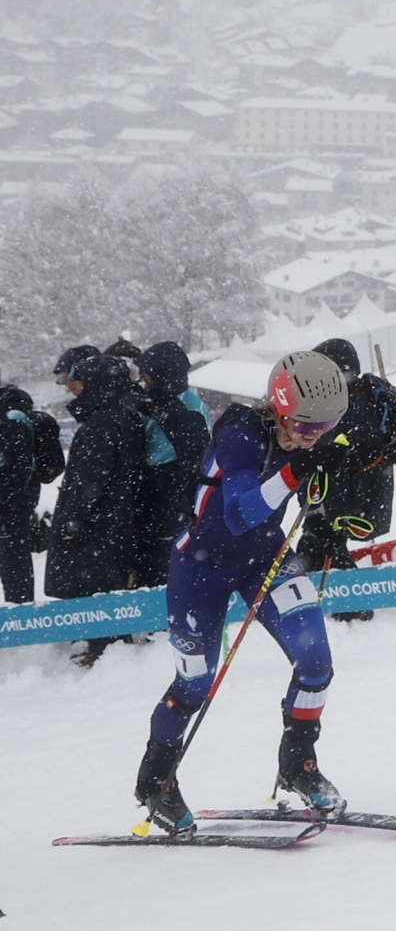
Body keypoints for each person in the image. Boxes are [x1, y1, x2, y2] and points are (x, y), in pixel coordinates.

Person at [135, 351, 354, 834]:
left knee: (316, 663)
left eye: (327, 425)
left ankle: (299, 765)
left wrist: (331, 472)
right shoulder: (239, 436)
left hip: (266, 560)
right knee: (193, 685)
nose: (312, 434)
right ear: (278, 405)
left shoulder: (306, 434)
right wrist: (298, 469)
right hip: (200, 571)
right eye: (305, 424)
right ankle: (156, 783)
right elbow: (238, 515)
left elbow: (316, 468)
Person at [295, 337, 396, 622]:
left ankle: (349, 613)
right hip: (342, 495)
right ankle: (339, 610)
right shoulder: (344, 398)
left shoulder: (359, 402)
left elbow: (353, 448)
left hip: (354, 497)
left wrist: (338, 455)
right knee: (317, 547)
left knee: (319, 546)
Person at [44, 354, 147, 666]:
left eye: (81, 381)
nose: (75, 388)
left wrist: (72, 521)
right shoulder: (127, 416)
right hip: (117, 522)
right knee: (109, 587)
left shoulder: (100, 425)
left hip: (96, 529)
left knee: (91, 591)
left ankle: (94, 649)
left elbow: (87, 483)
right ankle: (107, 642)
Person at [131, 342, 212, 588]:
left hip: (170, 502)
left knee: (164, 568)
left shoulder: (187, 408)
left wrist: (174, 502)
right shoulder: (161, 399)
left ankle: (163, 620)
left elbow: (193, 462)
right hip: (157, 496)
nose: (141, 378)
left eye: (146, 372)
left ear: (162, 373)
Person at [0, 393, 36, 603]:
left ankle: (21, 613)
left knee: (13, 560)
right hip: (12, 501)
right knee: (13, 559)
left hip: (9, 504)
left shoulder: (11, 418)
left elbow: (21, 467)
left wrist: (8, 499)